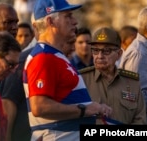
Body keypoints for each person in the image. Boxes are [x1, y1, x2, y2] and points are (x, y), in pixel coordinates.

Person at [23, 0, 112, 140]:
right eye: (68, 16)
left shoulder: (54, 55)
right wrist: (86, 109)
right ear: (51, 22)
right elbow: (39, 106)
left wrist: (92, 108)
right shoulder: (44, 57)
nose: (75, 21)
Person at [80, 27, 146, 124]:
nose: (100, 56)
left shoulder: (132, 83)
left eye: (106, 51)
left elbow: (140, 119)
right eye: (95, 50)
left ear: (119, 54)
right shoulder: (81, 80)